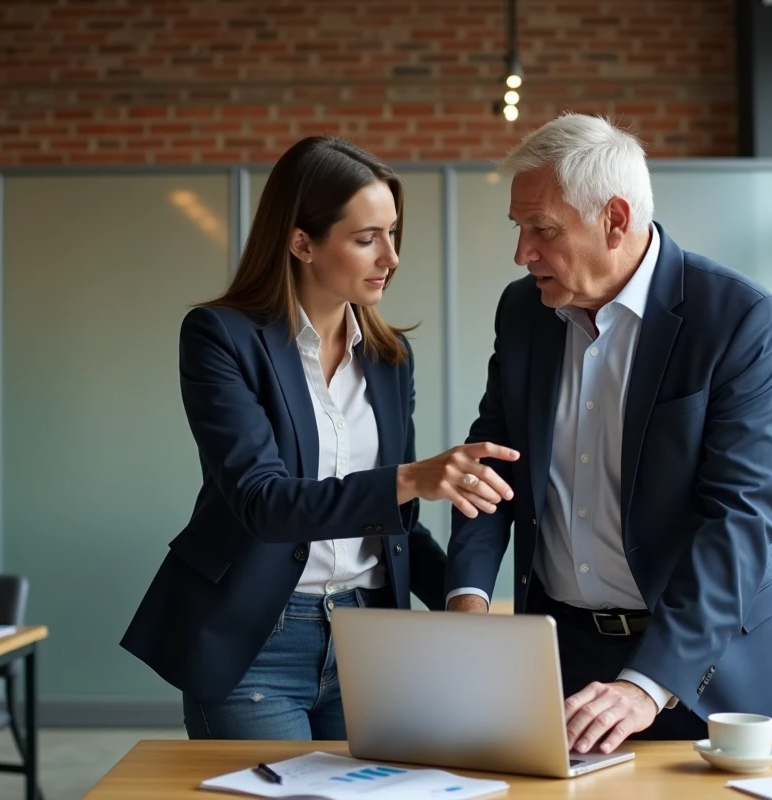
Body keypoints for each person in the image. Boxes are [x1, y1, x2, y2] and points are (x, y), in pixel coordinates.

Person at [121, 136, 519, 741]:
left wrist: (469, 607)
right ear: (301, 242)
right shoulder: (221, 338)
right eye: (367, 239)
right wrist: (411, 480)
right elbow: (263, 501)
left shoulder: (390, 357)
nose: (391, 256)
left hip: (370, 638)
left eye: (393, 233)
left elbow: (397, 524)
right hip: (259, 642)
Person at [445, 114, 772, 753]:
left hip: (709, 670)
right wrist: (468, 599)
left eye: (542, 229)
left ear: (615, 220)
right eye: (520, 228)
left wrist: (647, 683)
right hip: (565, 659)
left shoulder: (738, 319)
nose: (522, 253)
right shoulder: (523, 311)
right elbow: (492, 463)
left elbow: (738, 518)